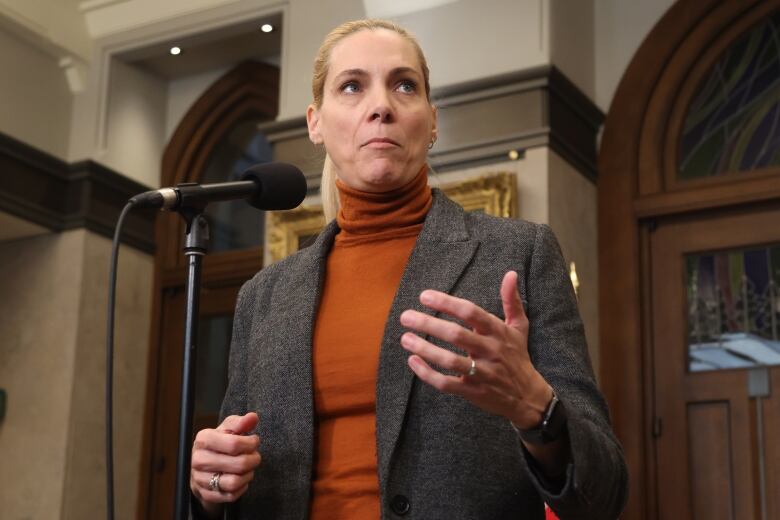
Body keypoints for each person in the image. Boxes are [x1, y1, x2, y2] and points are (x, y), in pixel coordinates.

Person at [190, 19, 628, 519]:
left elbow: (604, 491)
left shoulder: (518, 254)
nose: (381, 106)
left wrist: (538, 410)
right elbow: (228, 478)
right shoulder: (263, 297)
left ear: (433, 120)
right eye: (352, 86)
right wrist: (211, 483)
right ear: (315, 122)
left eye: (404, 85)